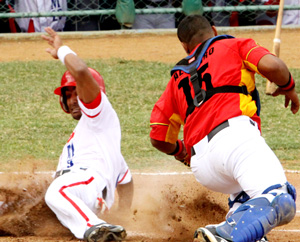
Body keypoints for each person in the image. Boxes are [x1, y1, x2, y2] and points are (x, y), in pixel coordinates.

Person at [149, 15, 299, 242]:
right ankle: (224, 234)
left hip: (204, 168)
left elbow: (158, 137)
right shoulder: (234, 45)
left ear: (184, 45)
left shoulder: (176, 79)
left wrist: (183, 153)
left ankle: (240, 219)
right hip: (235, 141)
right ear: (214, 29)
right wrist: (288, 87)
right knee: (281, 200)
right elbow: (274, 66)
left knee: (252, 195)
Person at [41, 27, 134, 242]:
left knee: (56, 191)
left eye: (77, 91)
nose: (73, 99)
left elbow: (81, 71)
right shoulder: (93, 133)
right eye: (68, 93)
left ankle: (99, 228)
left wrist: (62, 50)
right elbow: (125, 178)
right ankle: (97, 226)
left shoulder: (99, 112)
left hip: (87, 186)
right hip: (86, 194)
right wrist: (125, 213)